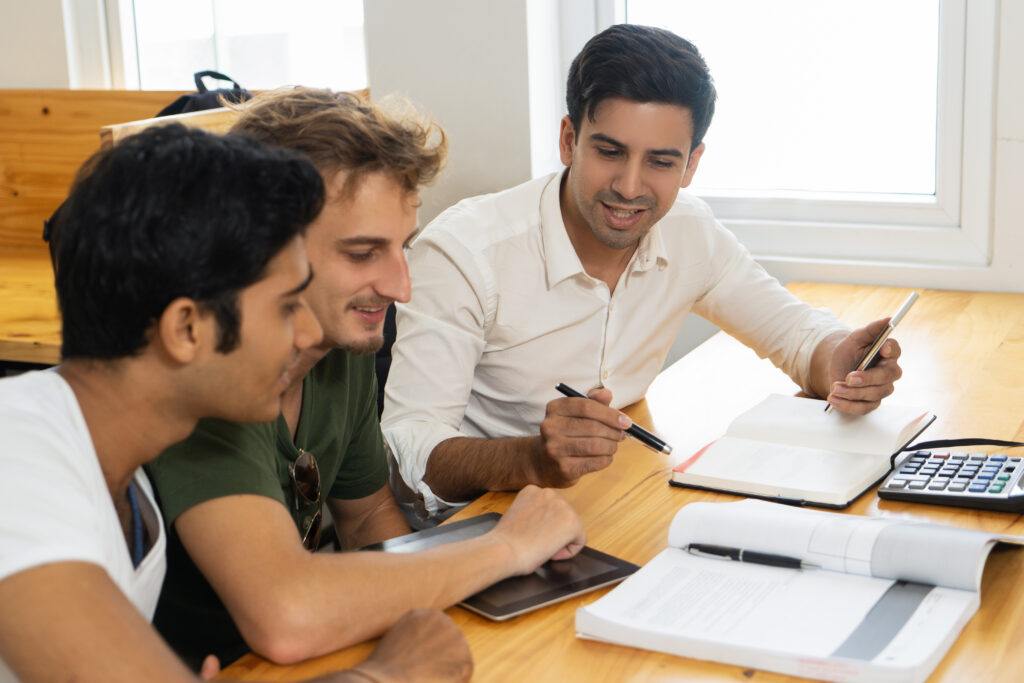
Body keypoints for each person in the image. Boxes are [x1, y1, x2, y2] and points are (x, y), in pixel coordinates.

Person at [0, 124, 472, 682]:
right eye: (285, 307)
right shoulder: (20, 457)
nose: (305, 337)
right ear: (187, 328)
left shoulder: (123, 480)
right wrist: (388, 676)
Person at [381, 23, 906, 522]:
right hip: (478, 524)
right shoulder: (465, 252)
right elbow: (406, 451)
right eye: (610, 152)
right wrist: (531, 460)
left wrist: (841, 362)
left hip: (606, 503)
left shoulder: (688, 231)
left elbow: (794, 334)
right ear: (569, 141)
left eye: (660, 161)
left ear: (691, 164)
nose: (630, 187)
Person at [144, 88, 587, 670]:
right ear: (261, 247)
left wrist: (447, 607)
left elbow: (368, 519)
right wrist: (505, 548)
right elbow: (286, 616)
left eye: (402, 248)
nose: (401, 287)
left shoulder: (340, 348)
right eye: (361, 254)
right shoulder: (210, 379)